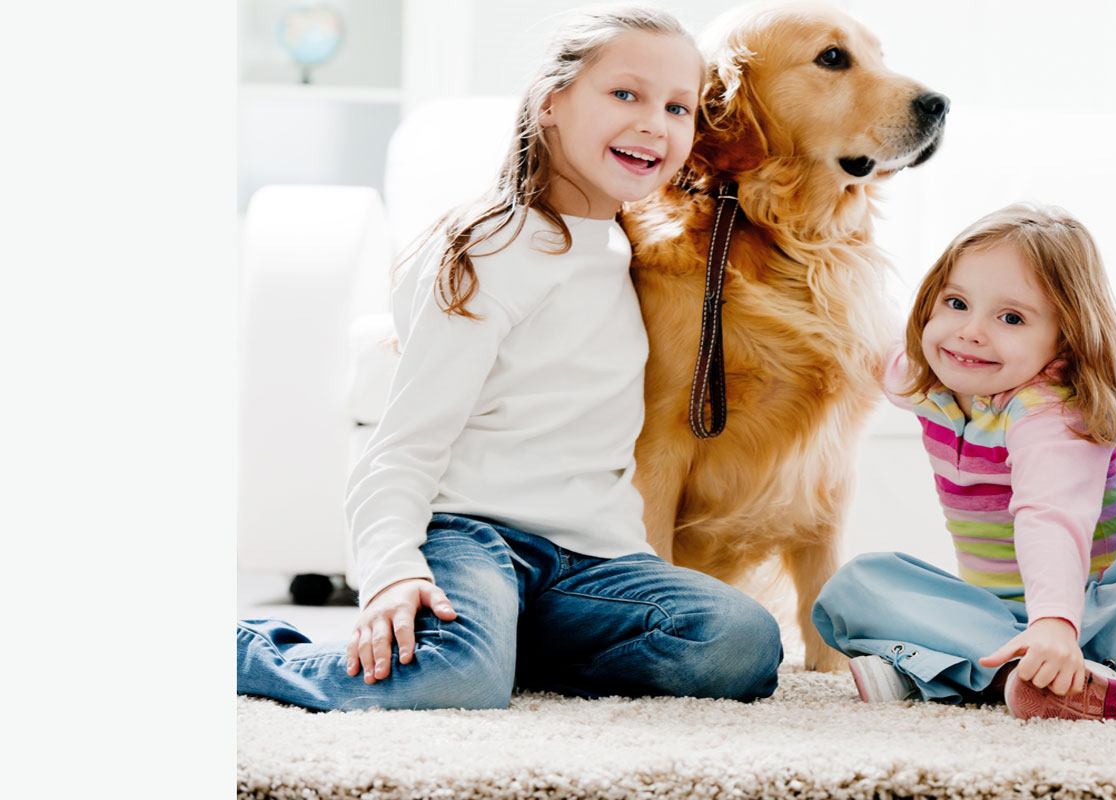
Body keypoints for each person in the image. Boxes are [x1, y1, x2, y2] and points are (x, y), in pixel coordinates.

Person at [237, 6, 785, 711]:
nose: (656, 122)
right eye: (625, 94)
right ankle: (251, 649)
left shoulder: (642, 254)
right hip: (470, 538)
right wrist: (392, 575)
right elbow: (401, 447)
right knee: (452, 681)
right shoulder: (490, 247)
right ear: (551, 103)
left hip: (590, 562)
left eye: (678, 107)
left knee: (740, 641)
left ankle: (495, 644)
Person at [812, 203, 1116, 721]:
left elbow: (1049, 515)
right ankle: (1030, 675)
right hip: (991, 611)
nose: (971, 331)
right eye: (956, 303)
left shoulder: (1053, 409)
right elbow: (874, 331)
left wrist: (1055, 622)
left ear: (1065, 340)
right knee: (858, 583)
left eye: (1011, 318)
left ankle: (964, 670)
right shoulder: (925, 379)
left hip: (1094, 608)